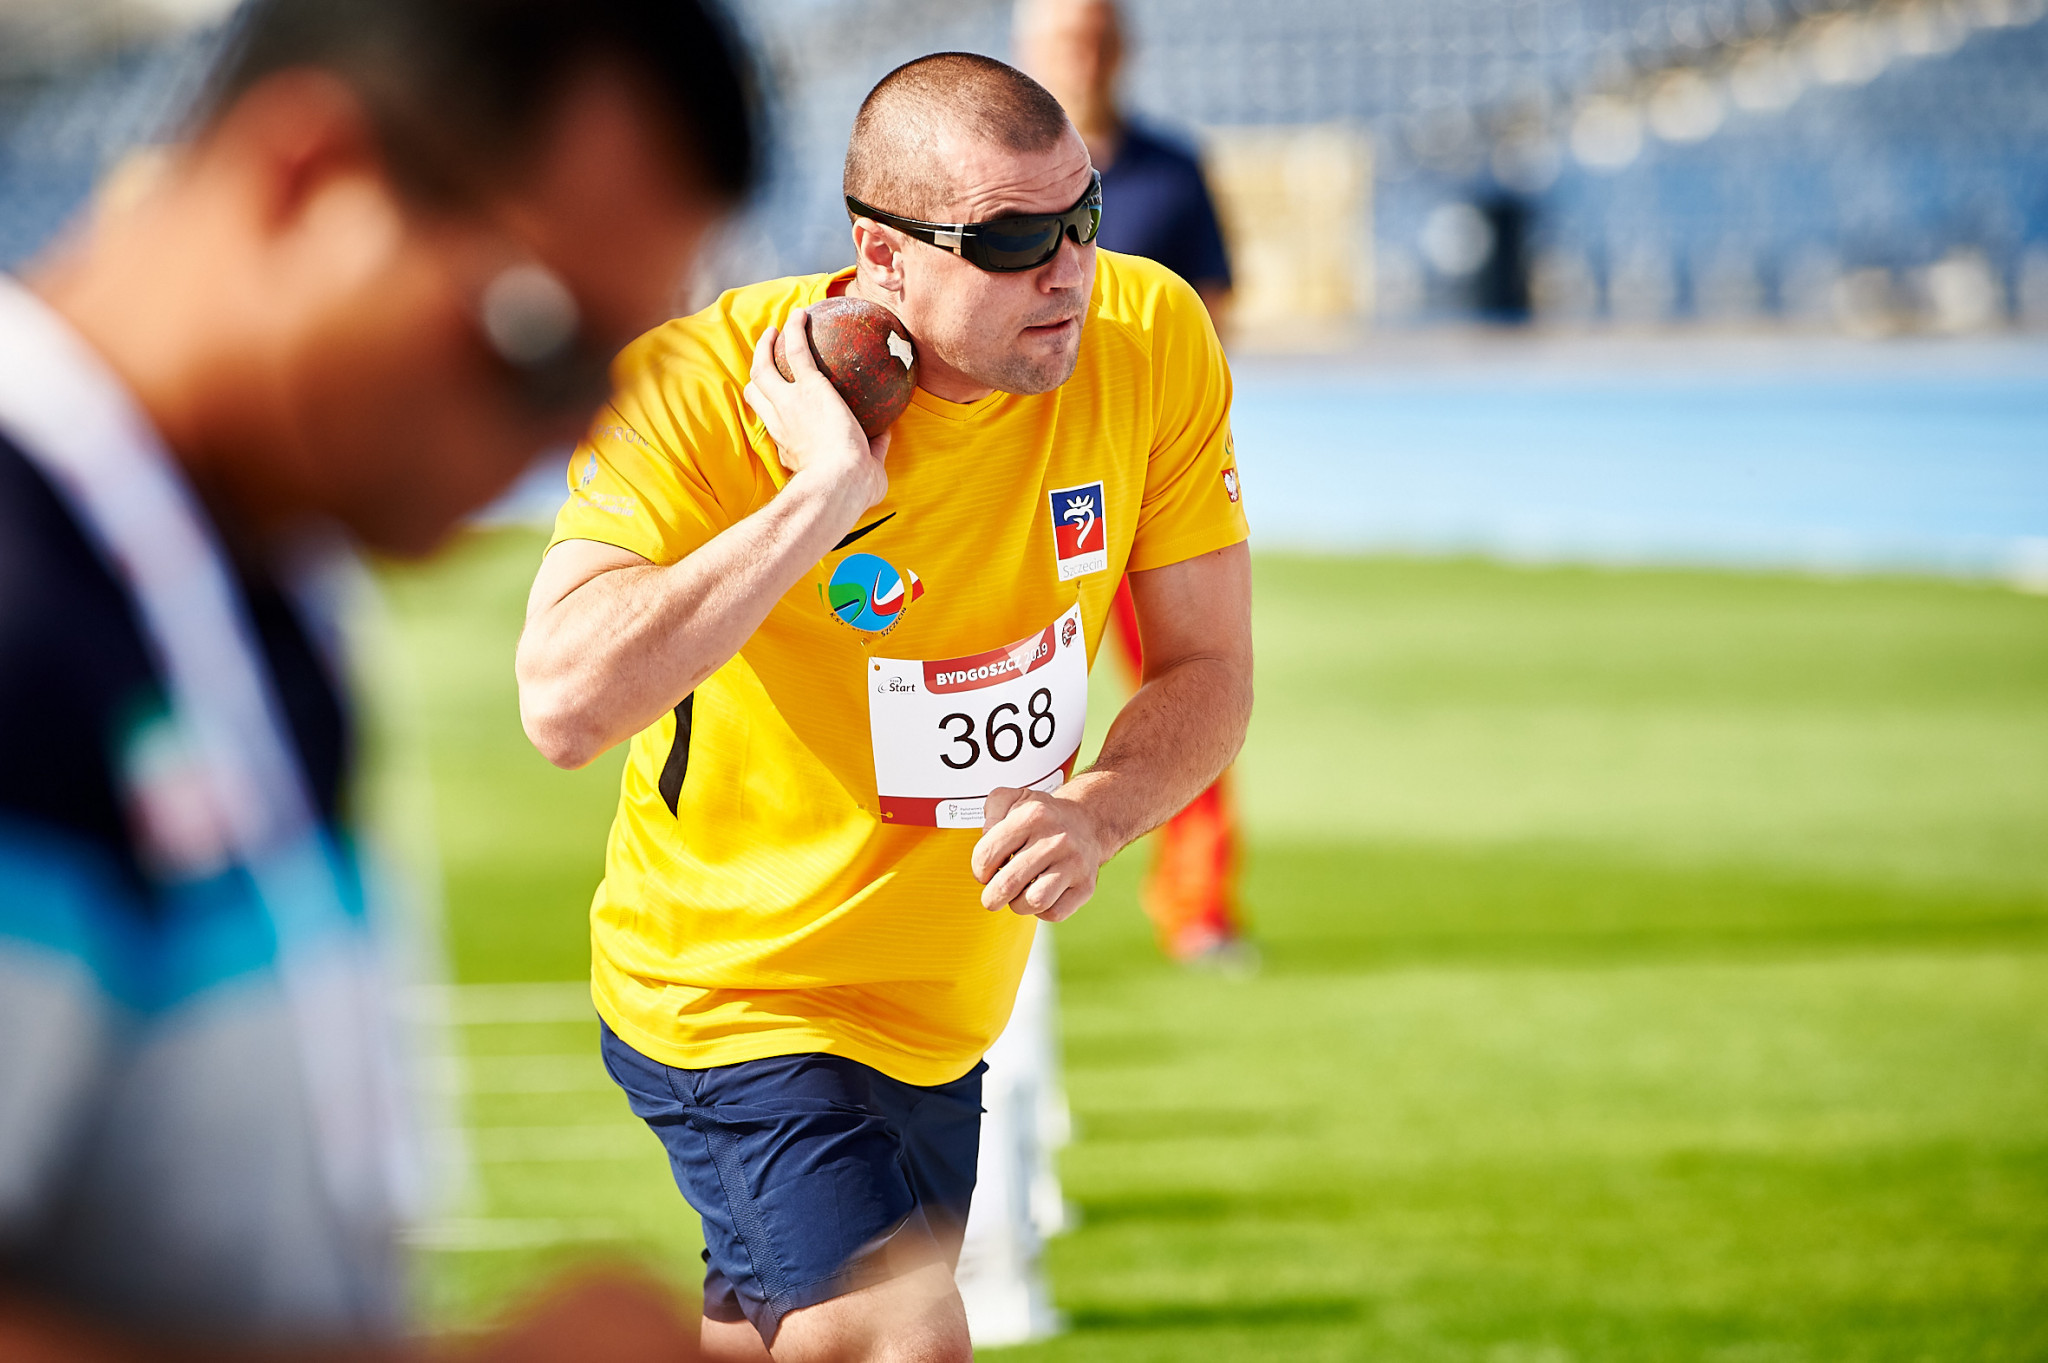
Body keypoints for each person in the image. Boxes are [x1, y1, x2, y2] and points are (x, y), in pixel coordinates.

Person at [0, 0, 757, 1356]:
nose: (575, 434)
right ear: (308, 176)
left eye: (621, 378)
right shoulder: (26, 589)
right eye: (543, 344)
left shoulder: (247, 596)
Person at [515, 50, 1254, 1363]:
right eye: (1013, 240)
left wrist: (1100, 809)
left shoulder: (1149, 341)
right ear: (883, 253)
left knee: (770, 1328)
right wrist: (819, 497)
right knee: (902, 1334)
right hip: (738, 987)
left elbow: (1206, 667)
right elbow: (565, 703)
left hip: (944, 1003)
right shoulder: (699, 387)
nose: (1068, 268)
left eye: (1080, 218)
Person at [1015, 0, 1250, 965]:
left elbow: (1217, 308)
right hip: (1015, 483)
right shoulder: (990, 176)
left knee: (1190, 681)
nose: (1088, 53)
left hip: (1142, 486)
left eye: (1100, 37)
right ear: (1033, 48)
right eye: (1070, 37)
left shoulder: (1172, 168)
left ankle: (1197, 908)